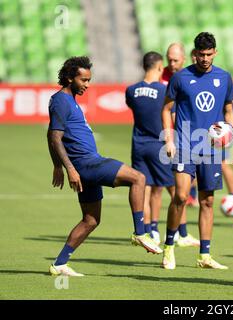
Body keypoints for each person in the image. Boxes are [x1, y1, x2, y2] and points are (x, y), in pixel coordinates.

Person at [47, 56, 162, 277]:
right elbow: (54, 137)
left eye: (89, 80)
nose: (87, 85)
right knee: (138, 178)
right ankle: (141, 232)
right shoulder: (61, 100)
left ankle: (59, 264)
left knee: (91, 220)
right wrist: (68, 168)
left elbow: (51, 135)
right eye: (83, 80)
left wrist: (57, 166)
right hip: (87, 163)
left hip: (84, 165)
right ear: (70, 78)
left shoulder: (69, 100)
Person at [162, 32, 233, 269]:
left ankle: (204, 256)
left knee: (207, 202)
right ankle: (169, 247)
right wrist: (169, 139)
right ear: (194, 54)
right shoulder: (181, 78)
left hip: (212, 149)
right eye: (201, 54)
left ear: (215, 52)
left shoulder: (224, 78)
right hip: (185, 145)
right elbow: (166, 109)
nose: (205, 59)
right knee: (181, 196)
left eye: (209, 54)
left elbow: (228, 112)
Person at [154, 43, 200, 246]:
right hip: (161, 137)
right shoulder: (160, 77)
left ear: (184, 58)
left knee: (177, 189)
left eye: (175, 60)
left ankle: (181, 233)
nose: (171, 64)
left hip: (185, 140)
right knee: (156, 186)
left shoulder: (192, 77)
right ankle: (152, 230)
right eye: (169, 59)